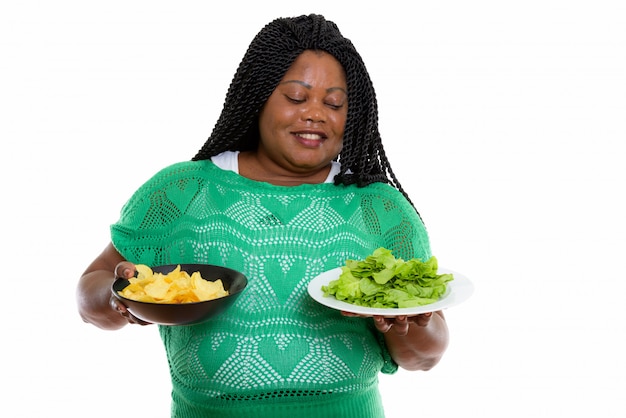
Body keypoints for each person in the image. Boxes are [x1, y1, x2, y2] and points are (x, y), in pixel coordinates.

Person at [76, 14, 449, 418]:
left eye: (334, 103)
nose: (315, 114)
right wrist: (119, 298)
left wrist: (409, 322)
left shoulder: (380, 208)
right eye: (296, 97)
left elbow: (424, 359)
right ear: (257, 97)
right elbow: (90, 294)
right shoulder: (181, 191)